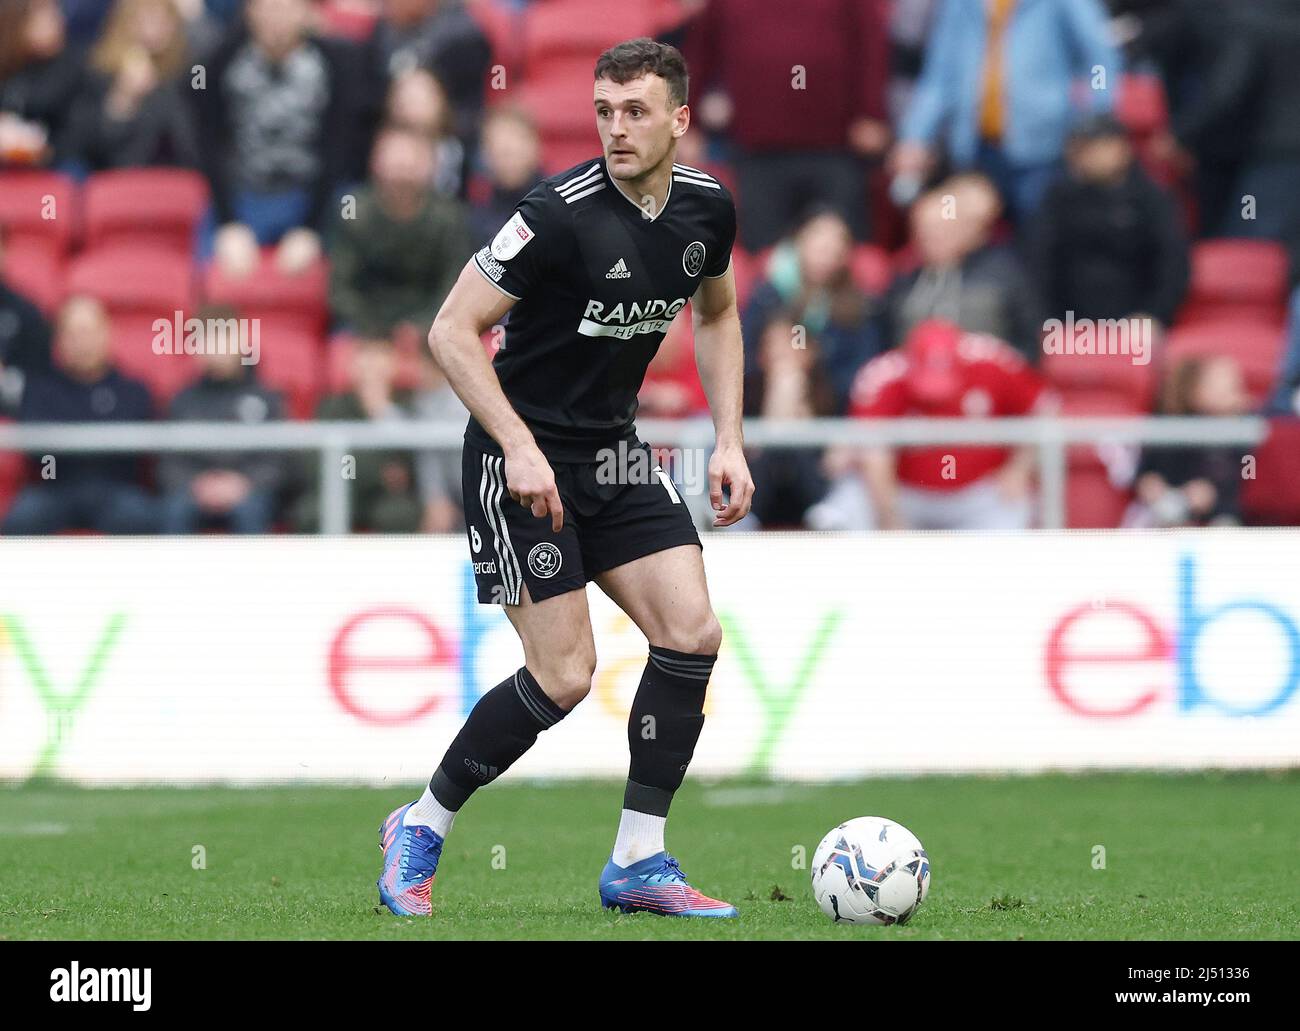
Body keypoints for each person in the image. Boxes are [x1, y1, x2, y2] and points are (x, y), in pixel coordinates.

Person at [378, 39, 753, 919]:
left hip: (613, 452)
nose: (616, 128)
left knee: (692, 633)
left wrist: (729, 437)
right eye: (603, 111)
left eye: (635, 111)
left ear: (678, 120)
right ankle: (421, 823)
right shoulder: (556, 213)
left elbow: (721, 311)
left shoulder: (707, 210)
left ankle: (638, 860)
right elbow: (449, 331)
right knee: (564, 674)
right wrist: (515, 442)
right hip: (521, 458)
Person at [890, 0, 1120, 222]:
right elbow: (939, 75)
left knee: (1038, 238)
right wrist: (915, 136)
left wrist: (1096, 115)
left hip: (1043, 151)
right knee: (963, 232)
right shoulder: (959, 4)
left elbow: (1099, 59)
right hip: (976, 148)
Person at [823, 318, 1050, 531]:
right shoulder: (885, 376)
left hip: (979, 493)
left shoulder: (993, 361)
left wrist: (1019, 468)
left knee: (1014, 506)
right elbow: (873, 453)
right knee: (849, 501)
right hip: (904, 492)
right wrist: (889, 517)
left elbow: (1043, 408)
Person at [2, 295, 157, 534]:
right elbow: (41, 456)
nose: (82, 342)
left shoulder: (133, 390)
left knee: (139, 516)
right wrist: (54, 470)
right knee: (23, 518)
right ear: (59, 340)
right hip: (55, 486)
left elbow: (132, 454)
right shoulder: (40, 390)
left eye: (89, 332)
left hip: (114, 487)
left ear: (107, 334)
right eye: (72, 334)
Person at [1029, 113, 1188, 331]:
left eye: (1093, 147)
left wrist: (1154, 314)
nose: (1084, 156)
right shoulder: (1059, 197)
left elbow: (1173, 264)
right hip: (1066, 320)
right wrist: (1045, 317)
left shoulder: (1152, 198)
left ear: (1122, 149)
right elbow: (1040, 260)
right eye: (1079, 148)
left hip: (1137, 318)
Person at [328, 125, 471, 338]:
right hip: (362, 327)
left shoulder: (450, 218)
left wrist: (421, 328)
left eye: (412, 165)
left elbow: (454, 287)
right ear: (376, 163)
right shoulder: (354, 209)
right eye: (395, 165)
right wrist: (373, 331)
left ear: (431, 167)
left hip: (432, 328)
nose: (403, 173)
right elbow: (339, 287)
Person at [883, 174, 1043, 361]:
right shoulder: (904, 282)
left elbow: (1029, 345)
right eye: (924, 233)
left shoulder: (1004, 276)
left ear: (968, 232)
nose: (931, 240)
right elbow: (888, 345)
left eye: (942, 231)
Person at [158, 308, 286, 534]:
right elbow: (168, 463)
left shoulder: (267, 398)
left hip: (251, 491)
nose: (215, 348)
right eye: (205, 339)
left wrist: (245, 483)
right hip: (193, 491)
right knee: (174, 510)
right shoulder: (182, 401)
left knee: (252, 510)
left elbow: (280, 461)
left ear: (240, 341)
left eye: (222, 337)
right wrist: (196, 484)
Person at [292, 336, 421, 533]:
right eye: (365, 356)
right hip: (341, 488)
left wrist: (382, 412)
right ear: (352, 365)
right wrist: (376, 472)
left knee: (400, 514)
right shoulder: (331, 406)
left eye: (380, 355)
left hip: (386, 497)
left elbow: (411, 463)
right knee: (311, 512)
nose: (372, 365)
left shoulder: (409, 404)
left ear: (394, 364)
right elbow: (316, 462)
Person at [63, 0, 201, 172]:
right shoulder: (99, 71)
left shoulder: (190, 71)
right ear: (125, 23)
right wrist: (124, 97)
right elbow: (88, 146)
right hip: (114, 178)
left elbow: (190, 145)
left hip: (171, 178)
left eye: (163, 20)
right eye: (144, 20)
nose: (154, 29)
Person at [1126, 355, 1250, 528]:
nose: (1231, 391)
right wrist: (1150, 485)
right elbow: (1146, 472)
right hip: (1170, 517)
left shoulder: (1246, 433)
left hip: (1224, 519)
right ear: (1193, 390)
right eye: (1219, 384)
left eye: (1235, 385)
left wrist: (1215, 497)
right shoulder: (1169, 429)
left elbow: (1249, 480)